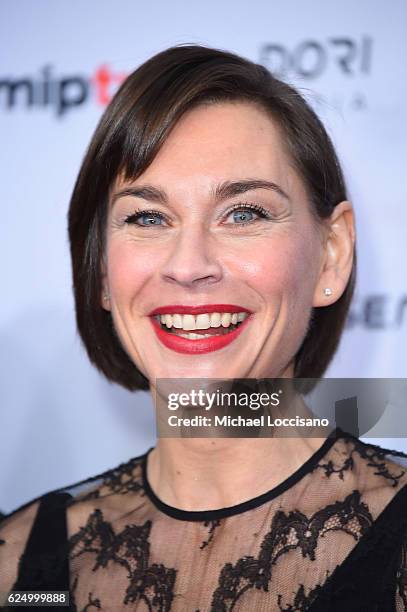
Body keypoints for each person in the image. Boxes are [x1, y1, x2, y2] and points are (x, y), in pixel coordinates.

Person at [1, 44, 407, 612]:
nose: (189, 265)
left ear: (331, 256)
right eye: (147, 217)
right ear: (99, 270)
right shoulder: (20, 568)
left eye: (244, 214)